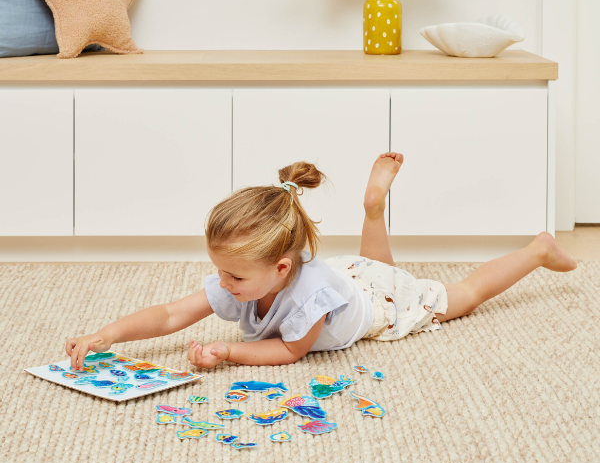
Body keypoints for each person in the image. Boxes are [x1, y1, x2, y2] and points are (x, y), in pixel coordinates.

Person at [66, 152, 577, 371]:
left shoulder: (308, 295)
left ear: (282, 269)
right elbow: (172, 314)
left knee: (461, 297)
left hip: (375, 304)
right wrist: (105, 335)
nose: (221, 283)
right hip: (353, 278)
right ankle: (373, 209)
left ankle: (536, 249)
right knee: (379, 267)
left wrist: (228, 354)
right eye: (220, 269)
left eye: (234, 275)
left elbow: (290, 353)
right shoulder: (246, 276)